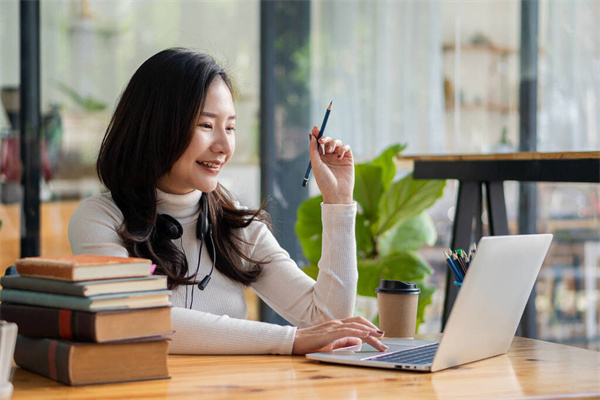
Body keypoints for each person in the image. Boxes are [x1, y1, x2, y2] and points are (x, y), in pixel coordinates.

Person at [68, 48, 387, 355]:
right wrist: (289, 339)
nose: (224, 146)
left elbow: (327, 317)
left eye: (230, 127)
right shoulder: (99, 220)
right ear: (158, 126)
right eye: (206, 125)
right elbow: (140, 319)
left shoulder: (234, 223)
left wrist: (339, 201)